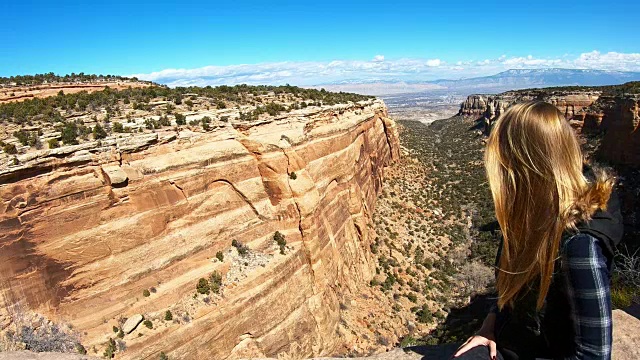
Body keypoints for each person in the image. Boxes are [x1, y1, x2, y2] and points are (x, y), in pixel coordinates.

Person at [453, 101, 623, 360]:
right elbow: (511, 288)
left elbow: (594, 354)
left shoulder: (579, 245)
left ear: (527, 164)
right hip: (514, 340)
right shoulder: (532, 214)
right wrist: (489, 326)